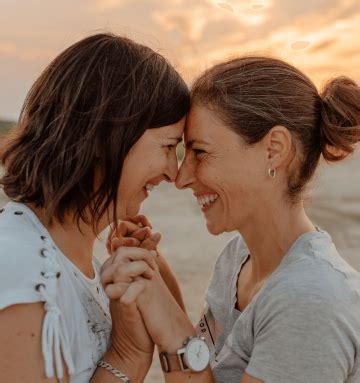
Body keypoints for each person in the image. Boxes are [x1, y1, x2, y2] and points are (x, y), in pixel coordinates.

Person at [102, 56, 360, 382]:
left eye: (200, 152)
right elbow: (200, 366)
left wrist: (166, 322)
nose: (181, 178)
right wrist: (152, 272)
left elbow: (183, 349)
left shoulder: (310, 302)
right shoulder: (237, 258)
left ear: (274, 150)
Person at [0, 33, 189, 382]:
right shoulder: (18, 269)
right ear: (106, 136)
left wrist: (155, 272)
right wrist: (127, 354)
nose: (173, 173)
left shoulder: (80, 263)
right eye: (167, 146)